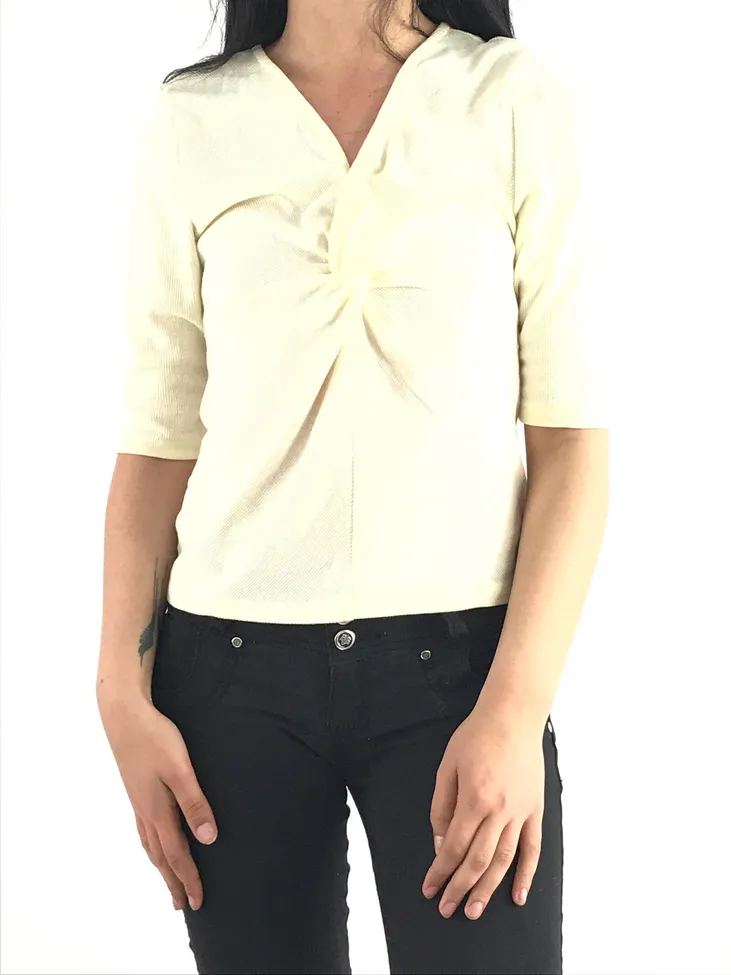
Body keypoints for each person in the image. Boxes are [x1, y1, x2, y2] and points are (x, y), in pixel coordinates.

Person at [96, 0, 610, 972]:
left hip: (463, 681)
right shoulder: (190, 121)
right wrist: (119, 691)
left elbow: (571, 442)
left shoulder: (512, 99)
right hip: (228, 680)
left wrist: (513, 710)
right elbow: (156, 442)